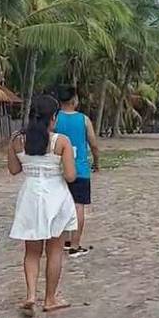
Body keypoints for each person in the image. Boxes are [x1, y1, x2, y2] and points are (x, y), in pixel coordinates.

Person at [8, 95, 77, 317]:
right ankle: (50, 298)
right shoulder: (61, 141)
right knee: (54, 249)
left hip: (30, 196)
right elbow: (70, 176)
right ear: (53, 118)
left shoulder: (17, 140)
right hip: (55, 196)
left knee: (31, 251)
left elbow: (13, 169)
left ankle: (30, 294)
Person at [55, 85, 100, 257]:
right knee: (78, 206)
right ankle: (75, 244)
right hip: (80, 169)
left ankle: (63, 240)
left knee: (61, 206)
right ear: (74, 100)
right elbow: (94, 145)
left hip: (59, 169)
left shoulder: (55, 119)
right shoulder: (84, 120)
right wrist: (96, 163)